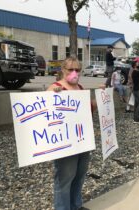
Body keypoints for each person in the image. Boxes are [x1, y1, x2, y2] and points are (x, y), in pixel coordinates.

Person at [47, 56, 92, 210]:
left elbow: (88, 111)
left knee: (79, 175)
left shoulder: (80, 88)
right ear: (63, 70)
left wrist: (101, 96)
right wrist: (53, 96)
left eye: (77, 70)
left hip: (81, 139)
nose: (74, 72)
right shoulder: (55, 87)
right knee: (65, 179)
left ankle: (76, 205)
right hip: (65, 143)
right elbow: (46, 115)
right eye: (70, 69)